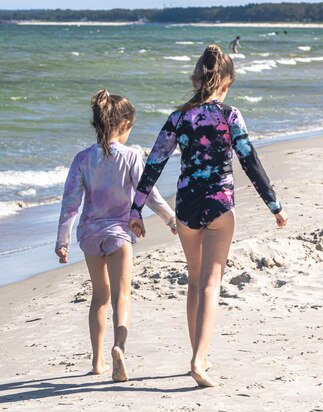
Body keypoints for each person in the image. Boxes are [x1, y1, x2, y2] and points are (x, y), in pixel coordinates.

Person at [129, 45, 288, 387]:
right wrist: (274, 206)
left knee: (195, 280)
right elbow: (250, 161)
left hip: (186, 207)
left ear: (196, 78)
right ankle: (199, 359)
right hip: (219, 206)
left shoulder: (179, 118)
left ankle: (197, 354)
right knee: (212, 284)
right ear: (226, 82)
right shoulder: (231, 116)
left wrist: (136, 208)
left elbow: (154, 161)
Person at [56, 89, 177, 382]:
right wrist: (171, 219)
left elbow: (70, 204)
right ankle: (118, 348)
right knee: (122, 298)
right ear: (123, 126)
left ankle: (97, 361)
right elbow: (149, 194)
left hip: (89, 236)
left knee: (99, 297)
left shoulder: (82, 159)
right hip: (119, 234)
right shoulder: (132, 156)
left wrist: (62, 242)